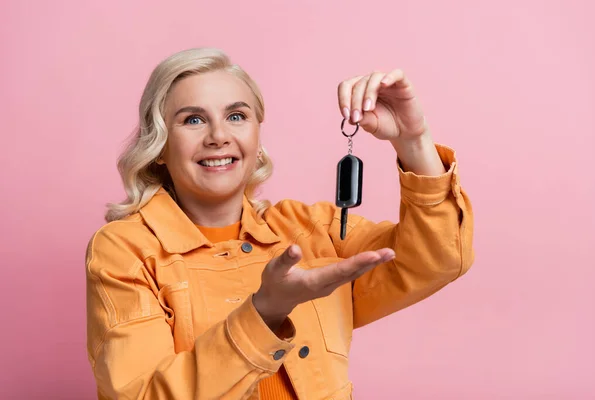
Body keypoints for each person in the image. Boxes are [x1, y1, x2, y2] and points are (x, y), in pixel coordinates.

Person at [85, 47, 474, 400]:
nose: (219, 136)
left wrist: (413, 141)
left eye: (236, 116)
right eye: (193, 120)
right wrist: (265, 312)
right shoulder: (126, 250)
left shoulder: (311, 229)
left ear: (256, 136)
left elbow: (439, 259)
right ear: (159, 147)